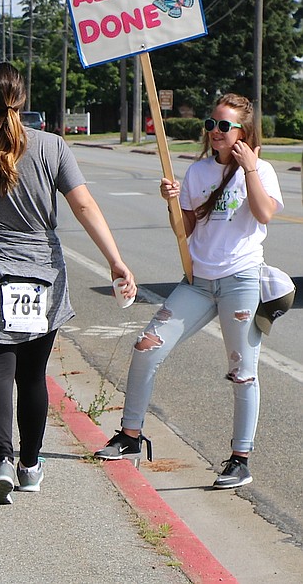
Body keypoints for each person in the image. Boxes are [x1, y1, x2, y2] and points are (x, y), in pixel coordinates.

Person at [0, 63, 135, 505]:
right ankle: (30, 465)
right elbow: (83, 206)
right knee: (33, 375)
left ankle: (2, 461)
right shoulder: (53, 147)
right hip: (43, 271)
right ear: (21, 100)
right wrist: (115, 261)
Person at [95, 93, 281, 490]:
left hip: (241, 280)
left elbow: (264, 214)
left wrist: (249, 169)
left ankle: (240, 459)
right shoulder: (197, 172)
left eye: (224, 126)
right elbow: (187, 230)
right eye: (211, 124)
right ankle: (130, 437)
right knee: (147, 346)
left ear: (243, 132)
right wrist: (172, 202)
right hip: (197, 283)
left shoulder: (261, 169)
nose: (214, 131)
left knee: (242, 372)